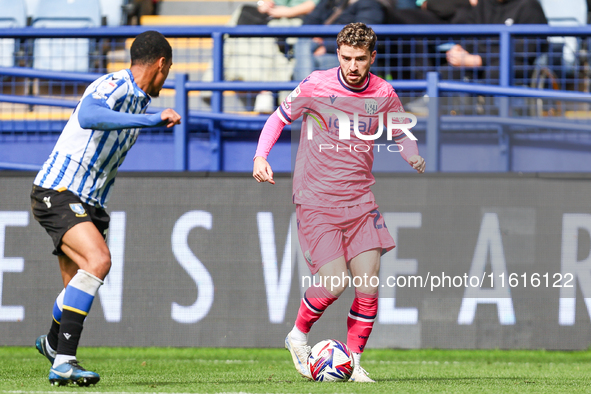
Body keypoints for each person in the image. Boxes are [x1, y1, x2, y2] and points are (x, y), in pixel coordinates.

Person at [253, 23, 425, 382]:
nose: (352, 65)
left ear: (372, 58)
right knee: (335, 281)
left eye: (360, 59)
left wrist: (411, 153)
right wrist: (260, 156)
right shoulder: (316, 85)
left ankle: (353, 360)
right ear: (338, 55)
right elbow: (278, 118)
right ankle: (297, 336)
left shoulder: (384, 93)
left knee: (369, 282)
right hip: (316, 199)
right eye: (346, 58)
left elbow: (400, 132)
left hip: (360, 201)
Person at [31, 30, 181, 386]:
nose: (167, 77)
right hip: (59, 189)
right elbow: (88, 115)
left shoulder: (139, 101)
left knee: (77, 288)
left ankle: (54, 343)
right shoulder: (116, 85)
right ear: (161, 64)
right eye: (168, 69)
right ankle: (63, 361)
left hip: (91, 202)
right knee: (99, 260)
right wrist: (152, 120)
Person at [292, 0, 389, 81]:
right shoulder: (333, 2)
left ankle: (305, 95)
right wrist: (317, 38)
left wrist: (325, 45)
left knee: (303, 65)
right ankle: (307, 95)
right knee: (303, 43)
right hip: (317, 49)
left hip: (346, 57)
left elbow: (362, 40)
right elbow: (307, 24)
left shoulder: (370, 5)